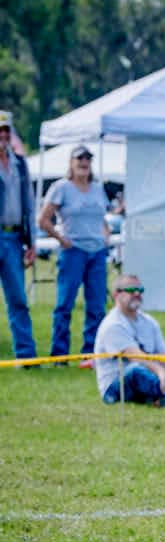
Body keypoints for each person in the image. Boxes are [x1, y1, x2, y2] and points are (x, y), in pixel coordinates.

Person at [39, 145, 110, 368]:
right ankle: (60, 355)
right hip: (73, 252)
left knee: (97, 306)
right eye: (79, 159)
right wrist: (62, 240)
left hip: (97, 253)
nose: (84, 162)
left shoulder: (98, 188)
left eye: (87, 159)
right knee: (64, 304)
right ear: (71, 163)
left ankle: (91, 355)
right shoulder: (61, 188)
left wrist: (106, 236)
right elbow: (43, 219)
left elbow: (102, 218)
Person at [94, 274, 165, 408]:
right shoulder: (112, 325)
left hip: (149, 376)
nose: (137, 293)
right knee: (136, 371)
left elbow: (163, 354)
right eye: (131, 290)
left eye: (140, 290)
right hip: (116, 388)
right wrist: (162, 373)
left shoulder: (149, 322)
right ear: (116, 294)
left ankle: (160, 400)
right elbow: (136, 357)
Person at [0, 109, 38, 364]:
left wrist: (32, 242)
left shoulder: (20, 164)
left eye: (5, 131)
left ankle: (26, 355)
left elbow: (30, 204)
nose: (2, 135)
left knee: (18, 300)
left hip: (14, 239)